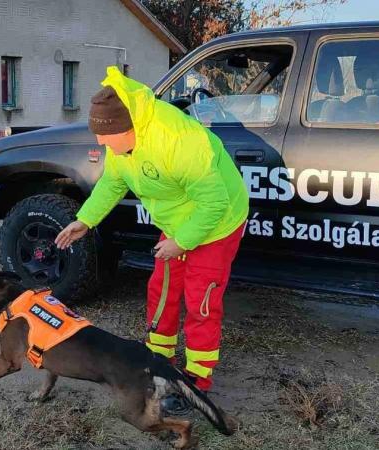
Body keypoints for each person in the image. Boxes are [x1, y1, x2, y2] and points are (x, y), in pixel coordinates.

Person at [55, 66, 248, 415]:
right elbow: (113, 183)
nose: (101, 143)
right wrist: (84, 220)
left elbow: (214, 203)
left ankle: (195, 381)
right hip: (177, 221)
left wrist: (183, 241)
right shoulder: (122, 145)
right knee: (162, 289)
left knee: (200, 298)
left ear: (129, 128)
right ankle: (159, 359)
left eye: (107, 136)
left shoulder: (178, 139)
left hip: (217, 221)